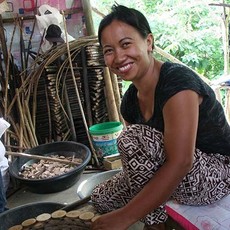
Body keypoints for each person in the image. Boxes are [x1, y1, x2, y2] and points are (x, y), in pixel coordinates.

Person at [91, 4, 230, 230]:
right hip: (173, 170)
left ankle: (156, 225)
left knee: (131, 138)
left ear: (148, 42)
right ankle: (153, 212)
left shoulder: (177, 82)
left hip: (217, 173)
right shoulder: (130, 101)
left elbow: (182, 161)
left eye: (126, 44)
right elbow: (139, 163)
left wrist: (126, 216)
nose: (118, 57)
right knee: (102, 198)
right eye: (108, 50)